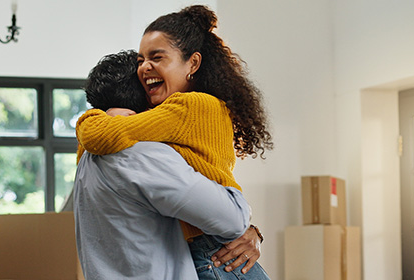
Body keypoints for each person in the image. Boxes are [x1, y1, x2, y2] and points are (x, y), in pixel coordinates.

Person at [75, 5, 273, 279]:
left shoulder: (188, 106)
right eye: (141, 60)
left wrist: (94, 116)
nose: (145, 67)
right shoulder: (170, 118)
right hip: (213, 241)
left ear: (192, 63)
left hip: (214, 251)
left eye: (157, 57)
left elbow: (101, 136)